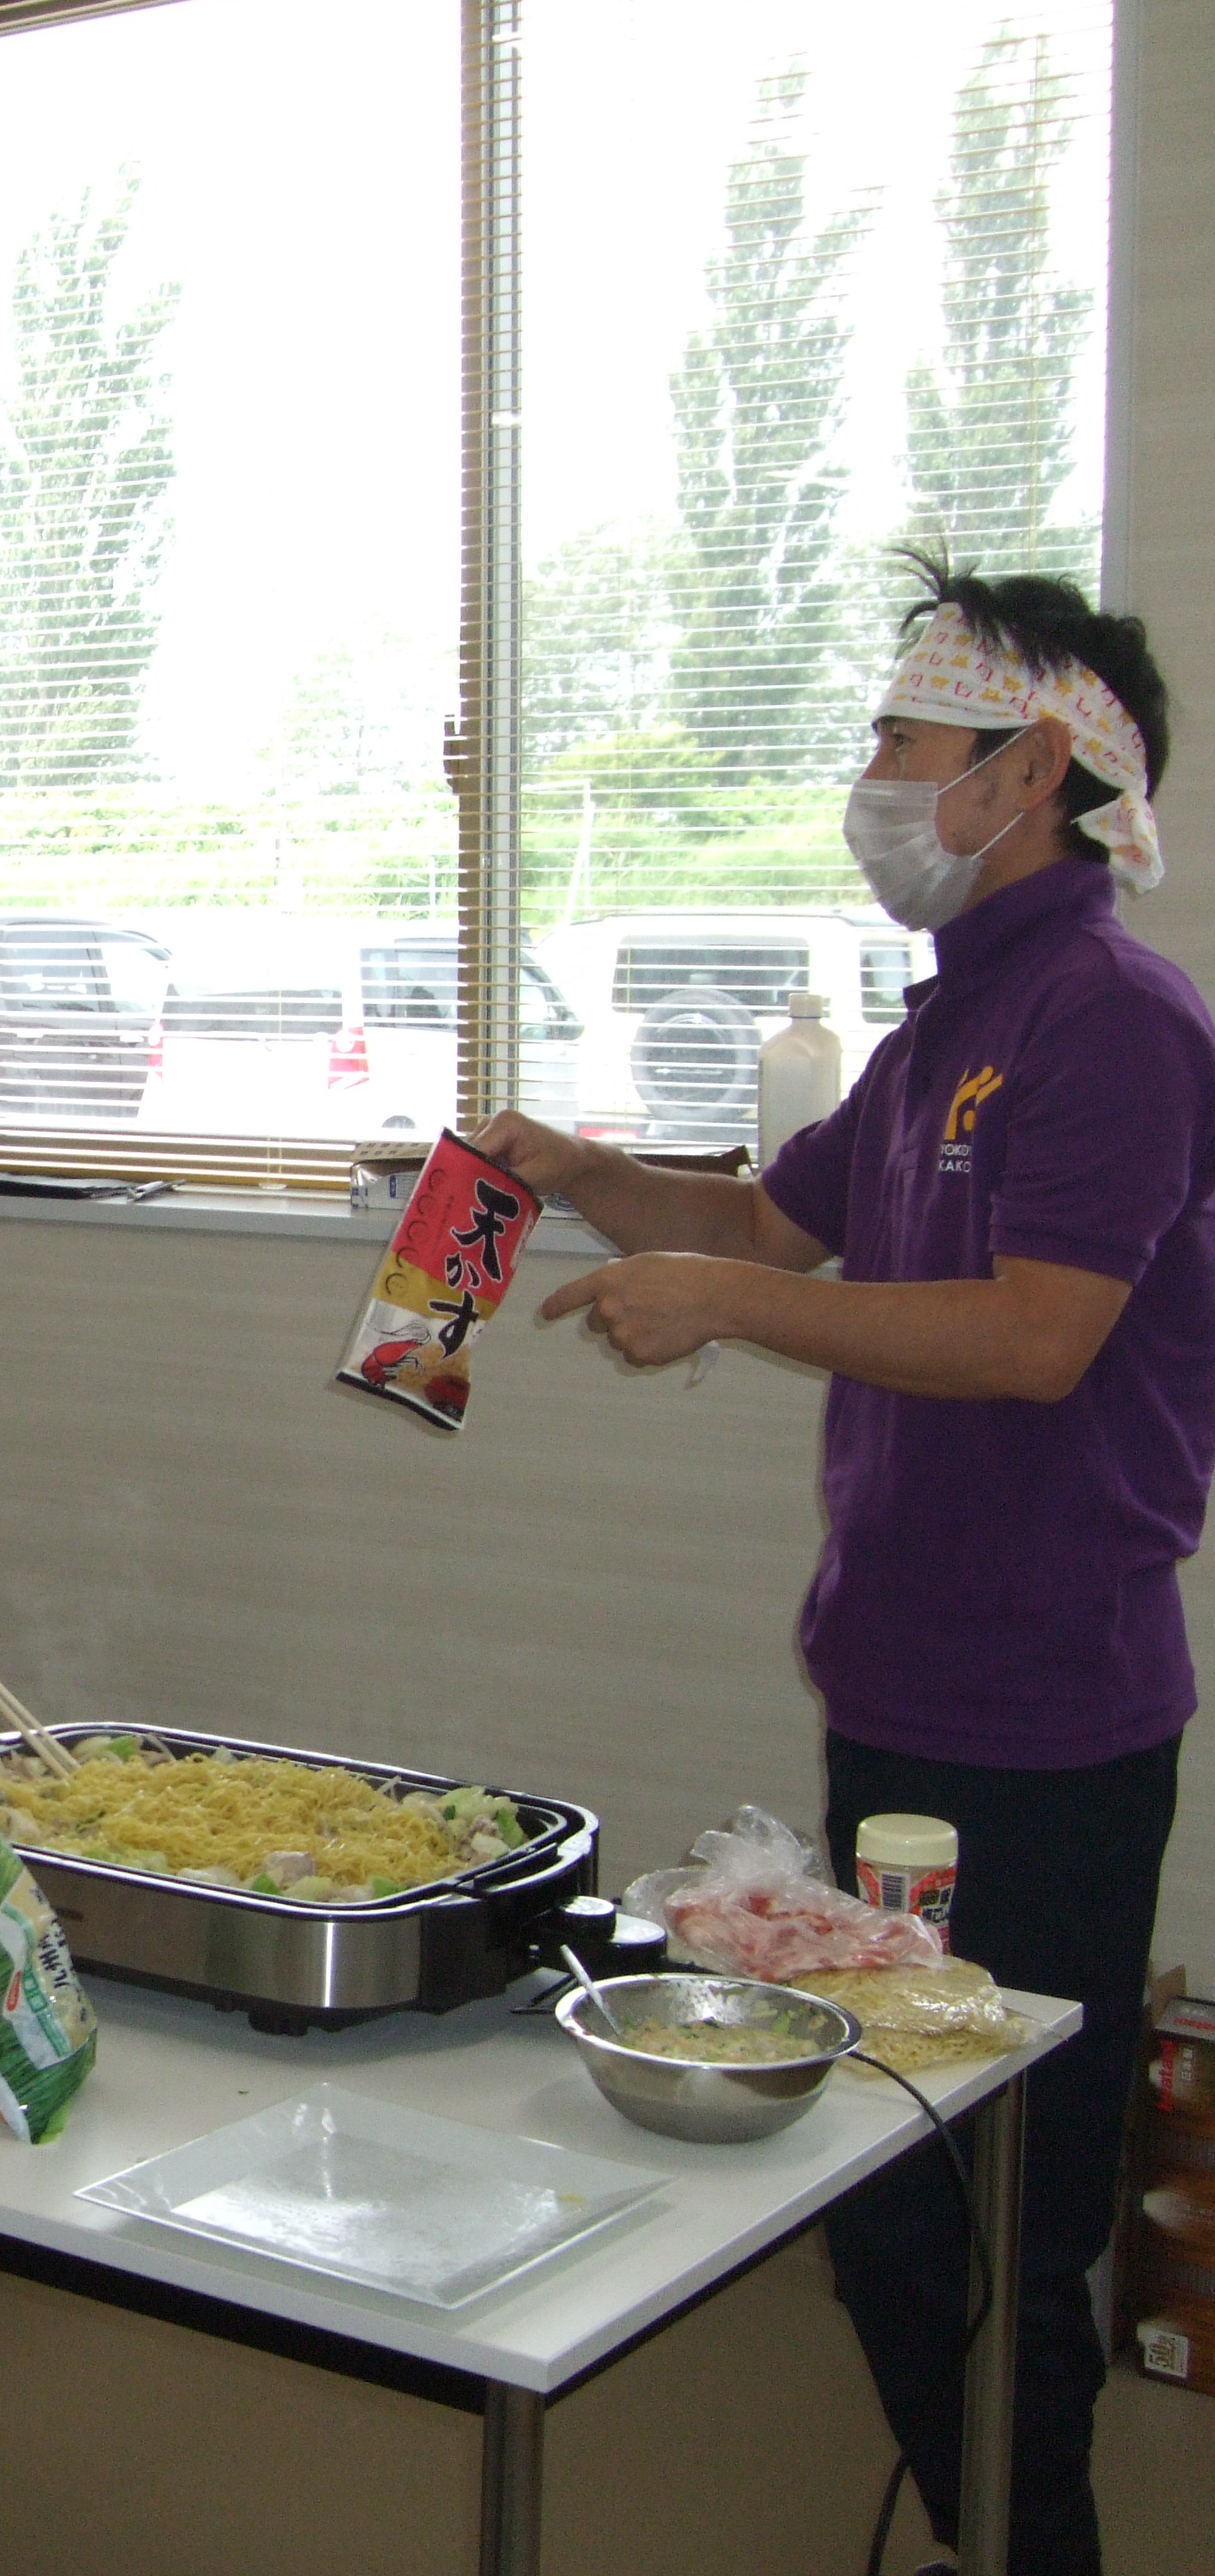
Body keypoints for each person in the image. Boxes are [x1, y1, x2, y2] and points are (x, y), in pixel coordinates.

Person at [480, 562, 1188, 2576]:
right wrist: (574, 1172)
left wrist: (717, 1304)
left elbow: (1034, 1335)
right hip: (895, 1688)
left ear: (1028, 773)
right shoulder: (940, 1026)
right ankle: (982, 2529)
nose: (868, 778)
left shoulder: (1112, 1021)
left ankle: (1026, 2546)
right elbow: (766, 1231)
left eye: (900, 740)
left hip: (1043, 1722)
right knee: (886, 2187)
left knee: (994, 2216)